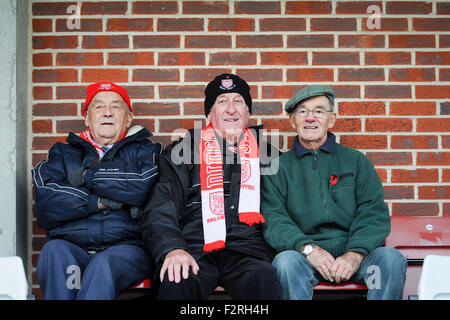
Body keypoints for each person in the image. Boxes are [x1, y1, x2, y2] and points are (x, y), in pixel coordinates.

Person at [140, 73, 282, 300]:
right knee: (177, 279)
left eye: (238, 101)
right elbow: (160, 207)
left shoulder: (269, 157)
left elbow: (282, 211)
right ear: (209, 113)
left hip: (248, 252)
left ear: (248, 112)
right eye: (222, 102)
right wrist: (173, 248)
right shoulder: (182, 153)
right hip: (194, 249)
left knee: (264, 279)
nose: (231, 109)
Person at [261, 85, 407, 300]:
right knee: (285, 263)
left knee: (391, 260)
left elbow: (373, 213)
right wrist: (310, 250)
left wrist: (355, 254)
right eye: (302, 112)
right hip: (305, 259)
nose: (310, 118)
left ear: (331, 119)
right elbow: (274, 220)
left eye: (319, 111)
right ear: (292, 121)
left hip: (358, 259)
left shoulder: (356, 161)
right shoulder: (278, 168)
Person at [32, 81, 162, 300]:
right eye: (99, 107)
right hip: (72, 246)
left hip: (127, 249)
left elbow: (140, 184)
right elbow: (48, 201)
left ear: (128, 118)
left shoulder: (146, 150)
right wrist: (101, 201)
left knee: (103, 265)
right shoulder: (62, 153)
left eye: (116, 106)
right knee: (53, 252)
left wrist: (86, 177)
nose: (107, 113)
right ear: (87, 117)